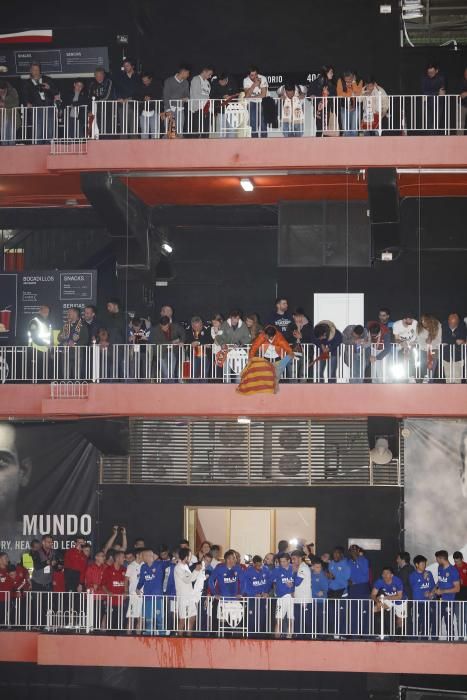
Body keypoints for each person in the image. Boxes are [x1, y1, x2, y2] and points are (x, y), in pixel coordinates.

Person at [22, 62, 59, 143]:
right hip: (36, 109)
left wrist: (49, 88)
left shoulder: (48, 79)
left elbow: (56, 92)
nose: (36, 72)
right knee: (38, 131)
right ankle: (38, 151)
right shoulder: (27, 83)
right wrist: (27, 103)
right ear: (30, 71)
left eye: (37, 70)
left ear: (40, 71)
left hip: (49, 108)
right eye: (34, 70)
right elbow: (25, 95)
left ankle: (49, 150)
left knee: (49, 130)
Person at [270, 552, 302, 637]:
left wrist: (293, 584)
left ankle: (289, 639)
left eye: (284, 561)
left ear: (289, 561)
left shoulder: (294, 569)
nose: (282, 563)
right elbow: (269, 580)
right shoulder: (277, 570)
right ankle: (276, 641)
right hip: (281, 598)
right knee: (279, 620)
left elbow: (299, 581)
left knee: (291, 620)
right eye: (281, 561)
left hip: (292, 598)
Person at [175, 548, 203, 632]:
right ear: (186, 556)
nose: (191, 557)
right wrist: (196, 570)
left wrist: (197, 571)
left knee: (192, 617)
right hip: (183, 598)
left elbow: (192, 578)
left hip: (190, 596)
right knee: (183, 619)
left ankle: (189, 637)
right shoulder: (178, 567)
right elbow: (187, 580)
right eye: (190, 555)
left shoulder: (186, 566)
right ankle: (179, 640)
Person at [371, 566, 406, 635]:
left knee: (400, 621)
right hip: (388, 598)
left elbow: (399, 597)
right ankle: (377, 632)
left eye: (387, 573)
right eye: (383, 573)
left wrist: (386, 598)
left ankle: (399, 637)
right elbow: (373, 595)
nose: (385, 575)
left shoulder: (397, 581)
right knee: (374, 609)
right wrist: (378, 602)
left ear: (392, 575)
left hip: (400, 601)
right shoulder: (379, 581)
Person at [434, 549, 460, 639]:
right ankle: (434, 640)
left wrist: (443, 591)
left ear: (441, 558)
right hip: (439, 599)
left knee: (448, 621)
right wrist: (433, 590)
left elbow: (457, 588)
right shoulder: (439, 568)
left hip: (449, 601)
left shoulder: (453, 571)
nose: (436, 561)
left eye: (437, 559)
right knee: (436, 620)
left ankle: (451, 641)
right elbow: (439, 581)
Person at [241, 555, 271, 634]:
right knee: (252, 619)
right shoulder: (248, 571)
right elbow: (245, 586)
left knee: (263, 618)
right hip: (252, 600)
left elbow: (269, 582)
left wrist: (266, 592)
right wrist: (254, 594)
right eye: (257, 565)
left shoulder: (266, 570)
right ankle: (251, 637)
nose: (259, 567)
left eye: (260, 564)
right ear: (253, 564)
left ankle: (262, 637)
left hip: (263, 599)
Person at [409, 554, 436, 637]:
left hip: (428, 602)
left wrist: (431, 593)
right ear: (416, 565)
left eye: (425, 564)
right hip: (418, 603)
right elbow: (414, 586)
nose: (424, 566)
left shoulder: (429, 573)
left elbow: (433, 586)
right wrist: (423, 579)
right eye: (422, 564)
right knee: (419, 621)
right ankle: (416, 638)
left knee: (429, 620)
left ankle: (426, 638)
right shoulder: (412, 575)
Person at [114, 58, 141, 138]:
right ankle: (122, 148)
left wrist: (130, 98)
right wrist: (118, 98)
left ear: (132, 66)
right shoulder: (120, 77)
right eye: (124, 66)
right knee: (123, 128)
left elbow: (139, 90)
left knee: (134, 129)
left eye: (127, 66)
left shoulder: (138, 77)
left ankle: (135, 148)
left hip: (134, 105)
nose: (126, 67)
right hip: (122, 105)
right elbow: (116, 89)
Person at [348, 544, 371, 634]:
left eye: (355, 549)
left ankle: (366, 635)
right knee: (353, 613)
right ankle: (354, 635)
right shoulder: (349, 562)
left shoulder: (364, 560)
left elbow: (365, 572)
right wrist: (348, 580)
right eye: (351, 550)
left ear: (358, 550)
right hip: (353, 589)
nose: (353, 551)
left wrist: (357, 559)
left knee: (364, 612)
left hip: (363, 588)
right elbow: (347, 574)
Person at [328, 547, 351, 637]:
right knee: (331, 614)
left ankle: (343, 634)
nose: (335, 555)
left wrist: (334, 577)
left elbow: (346, 579)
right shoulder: (331, 564)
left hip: (342, 593)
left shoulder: (346, 564)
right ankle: (333, 634)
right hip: (331, 592)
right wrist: (329, 578)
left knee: (342, 615)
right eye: (334, 553)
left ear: (341, 554)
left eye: (337, 553)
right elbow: (329, 577)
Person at [101, 550, 127, 631]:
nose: (124, 559)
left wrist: (126, 592)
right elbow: (103, 584)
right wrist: (108, 592)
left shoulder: (124, 569)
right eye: (123, 557)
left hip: (122, 601)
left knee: (120, 624)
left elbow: (127, 583)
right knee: (111, 623)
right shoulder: (108, 570)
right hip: (111, 601)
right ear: (117, 558)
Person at [308, 65, 336, 136]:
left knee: (327, 129)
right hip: (319, 109)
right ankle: (318, 145)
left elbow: (334, 95)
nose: (333, 74)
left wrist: (328, 93)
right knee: (319, 128)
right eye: (331, 72)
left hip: (328, 109)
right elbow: (309, 95)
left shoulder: (332, 84)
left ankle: (326, 146)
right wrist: (311, 96)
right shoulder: (315, 82)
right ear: (325, 73)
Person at [163, 64, 190, 137]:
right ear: (183, 72)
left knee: (180, 132)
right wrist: (168, 110)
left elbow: (187, 95)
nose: (188, 75)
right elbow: (166, 96)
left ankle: (180, 147)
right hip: (170, 109)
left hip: (180, 109)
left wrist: (186, 98)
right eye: (188, 73)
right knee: (169, 132)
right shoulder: (169, 81)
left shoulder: (186, 82)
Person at [88, 67, 114, 139]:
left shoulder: (108, 82)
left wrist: (96, 100)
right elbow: (90, 97)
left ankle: (108, 143)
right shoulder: (92, 84)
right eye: (97, 76)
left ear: (103, 75)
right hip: (96, 109)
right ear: (95, 76)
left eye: (100, 75)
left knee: (108, 126)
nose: (99, 77)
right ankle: (100, 142)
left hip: (107, 107)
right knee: (98, 126)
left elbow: (107, 96)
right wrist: (90, 109)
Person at [210, 73, 238, 137]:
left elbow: (236, 95)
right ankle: (221, 144)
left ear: (226, 80)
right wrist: (222, 97)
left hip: (231, 110)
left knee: (231, 129)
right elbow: (212, 96)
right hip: (220, 110)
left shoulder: (232, 82)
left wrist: (230, 97)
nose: (221, 83)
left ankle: (231, 144)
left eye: (222, 81)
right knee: (221, 130)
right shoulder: (215, 83)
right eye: (219, 81)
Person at [188, 66, 214, 138]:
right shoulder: (196, 79)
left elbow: (208, 94)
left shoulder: (208, 83)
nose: (210, 76)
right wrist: (208, 98)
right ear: (204, 72)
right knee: (197, 131)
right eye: (209, 74)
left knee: (206, 131)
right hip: (197, 109)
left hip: (207, 109)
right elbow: (196, 95)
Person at [243, 66, 268, 138]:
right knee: (253, 121)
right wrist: (254, 85)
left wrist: (251, 97)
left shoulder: (263, 78)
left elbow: (263, 95)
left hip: (262, 101)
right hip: (251, 103)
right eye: (252, 75)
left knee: (263, 122)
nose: (254, 77)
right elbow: (247, 95)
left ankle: (264, 140)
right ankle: (254, 140)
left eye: (256, 74)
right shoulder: (246, 80)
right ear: (248, 75)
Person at [336, 70, 363, 136]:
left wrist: (353, 83)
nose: (347, 82)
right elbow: (339, 93)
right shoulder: (340, 80)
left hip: (356, 106)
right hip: (344, 106)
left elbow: (358, 93)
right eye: (346, 81)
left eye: (349, 80)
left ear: (353, 77)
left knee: (354, 129)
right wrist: (351, 94)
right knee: (346, 129)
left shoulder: (359, 81)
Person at [393, 314, 419, 382]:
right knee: (401, 362)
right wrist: (402, 342)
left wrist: (413, 343)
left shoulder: (415, 322)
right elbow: (396, 339)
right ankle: (401, 378)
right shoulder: (397, 325)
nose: (412, 321)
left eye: (412, 319)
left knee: (413, 361)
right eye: (410, 319)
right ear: (404, 319)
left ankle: (412, 377)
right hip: (401, 347)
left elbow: (417, 336)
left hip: (412, 346)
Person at [291, 549, 312, 634]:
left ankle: (305, 640)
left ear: (300, 558)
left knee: (304, 621)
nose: (292, 561)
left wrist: (294, 572)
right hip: (299, 599)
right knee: (299, 621)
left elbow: (297, 582)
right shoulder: (301, 567)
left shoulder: (303, 567)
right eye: (292, 559)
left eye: (294, 559)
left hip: (303, 600)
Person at [416, 314, 442, 382]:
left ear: (429, 321)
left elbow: (439, 339)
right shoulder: (419, 326)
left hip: (434, 349)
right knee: (423, 368)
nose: (423, 322)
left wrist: (431, 341)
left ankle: (431, 383)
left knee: (432, 370)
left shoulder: (437, 324)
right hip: (423, 350)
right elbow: (419, 339)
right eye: (421, 320)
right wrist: (426, 342)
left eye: (425, 320)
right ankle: (423, 385)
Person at [442, 313, 466, 384]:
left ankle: (458, 394)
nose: (452, 325)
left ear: (458, 322)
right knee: (448, 378)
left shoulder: (463, 326)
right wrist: (455, 340)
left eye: (454, 324)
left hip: (458, 356)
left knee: (457, 378)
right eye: (451, 323)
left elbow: (462, 340)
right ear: (448, 321)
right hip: (446, 356)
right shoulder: (444, 325)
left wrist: (463, 341)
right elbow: (444, 340)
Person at [422, 63, 446, 133]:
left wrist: (431, 93)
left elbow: (442, 92)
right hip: (427, 103)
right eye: (429, 72)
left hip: (438, 104)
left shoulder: (441, 78)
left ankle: (435, 139)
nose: (430, 74)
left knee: (436, 123)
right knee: (429, 123)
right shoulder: (424, 78)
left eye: (432, 72)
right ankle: (430, 139)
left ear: (437, 71)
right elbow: (423, 91)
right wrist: (436, 93)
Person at [185, 316, 211, 380]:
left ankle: (204, 388)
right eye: (195, 327)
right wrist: (190, 344)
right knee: (194, 374)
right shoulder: (188, 330)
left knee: (204, 374)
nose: (197, 328)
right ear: (192, 325)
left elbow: (210, 340)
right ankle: (193, 388)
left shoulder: (207, 329)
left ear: (201, 324)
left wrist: (199, 343)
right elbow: (186, 340)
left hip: (204, 354)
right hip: (193, 354)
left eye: (199, 326)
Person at [138, 71, 162, 139]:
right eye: (143, 81)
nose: (145, 82)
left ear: (150, 79)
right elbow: (136, 96)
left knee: (155, 131)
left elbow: (160, 95)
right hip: (143, 111)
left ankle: (155, 147)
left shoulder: (157, 85)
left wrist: (151, 98)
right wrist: (143, 98)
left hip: (154, 110)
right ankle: (144, 147)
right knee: (144, 131)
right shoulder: (139, 86)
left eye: (146, 80)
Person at [125, 548, 144, 633]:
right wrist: (126, 591)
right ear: (137, 555)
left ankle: (138, 634)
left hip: (143, 594)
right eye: (142, 554)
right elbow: (126, 579)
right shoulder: (131, 566)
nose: (144, 556)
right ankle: (129, 634)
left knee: (141, 615)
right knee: (131, 614)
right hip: (133, 594)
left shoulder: (144, 565)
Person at [310, 557, 329, 634]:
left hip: (321, 602)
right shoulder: (310, 575)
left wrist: (323, 592)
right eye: (317, 567)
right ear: (313, 567)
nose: (319, 569)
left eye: (320, 567)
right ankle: (314, 635)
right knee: (313, 620)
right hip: (312, 601)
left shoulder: (323, 575)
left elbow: (326, 588)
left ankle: (322, 636)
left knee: (321, 620)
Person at [0, 79, 19, 145]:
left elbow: (16, 103)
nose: (1, 92)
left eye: (2, 90)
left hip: (12, 115)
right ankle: (4, 148)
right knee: (3, 133)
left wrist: (5, 103)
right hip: (2, 116)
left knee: (11, 134)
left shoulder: (13, 91)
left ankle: (12, 148)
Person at [457, 67, 467, 136]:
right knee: (460, 123)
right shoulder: (461, 81)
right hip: (462, 105)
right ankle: (459, 139)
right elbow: (459, 92)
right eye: (465, 73)